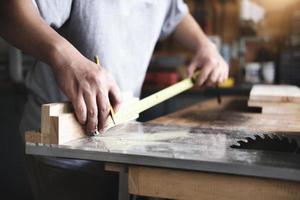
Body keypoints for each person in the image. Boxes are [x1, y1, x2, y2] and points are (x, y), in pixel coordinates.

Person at [0, 0, 229, 199]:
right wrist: (67, 59)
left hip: (120, 137)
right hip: (65, 143)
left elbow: (174, 12)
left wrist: (205, 45)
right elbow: (9, 11)